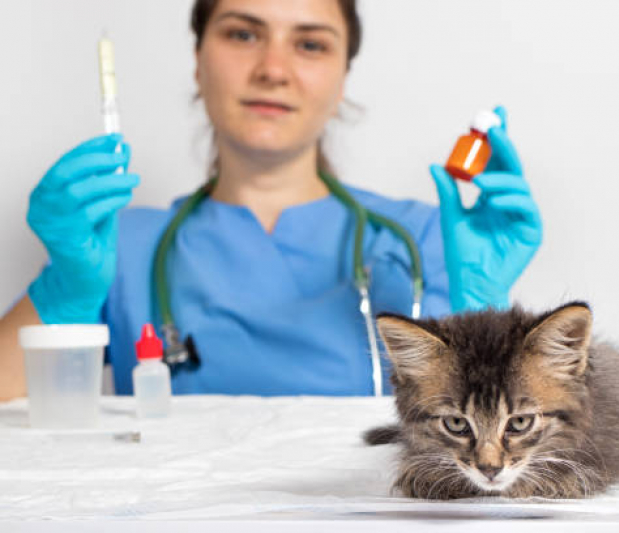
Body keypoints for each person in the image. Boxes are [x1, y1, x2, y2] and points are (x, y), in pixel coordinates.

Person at [0, 0, 542, 400]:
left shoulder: (426, 239)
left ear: (342, 78)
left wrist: (482, 302)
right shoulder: (122, 245)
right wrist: (63, 291)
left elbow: (485, 444)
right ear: (198, 59)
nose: (273, 70)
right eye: (242, 34)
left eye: (309, 44)